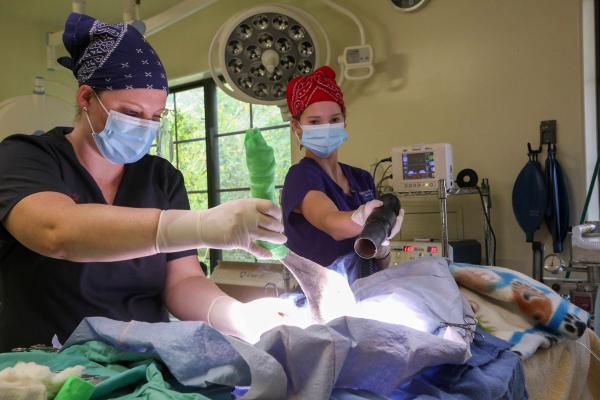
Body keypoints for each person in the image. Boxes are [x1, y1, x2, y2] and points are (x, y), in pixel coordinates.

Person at [0, 13, 292, 351]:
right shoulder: (25, 157)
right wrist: (202, 225)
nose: (144, 127)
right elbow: (57, 231)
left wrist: (239, 317)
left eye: (155, 117)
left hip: (142, 367)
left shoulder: (161, 178)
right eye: (131, 113)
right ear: (85, 98)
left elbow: (182, 282)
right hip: (46, 369)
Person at [281, 66, 404, 271]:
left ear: (344, 120)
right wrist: (363, 217)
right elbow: (331, 223)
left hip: (367, 291)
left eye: (335, 120)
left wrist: (382, 244)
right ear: (296, 126)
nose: (326, 128)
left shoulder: (362, 178)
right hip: (322, 295)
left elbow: (379, 266)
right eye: (314, 121)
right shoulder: (300, 177)